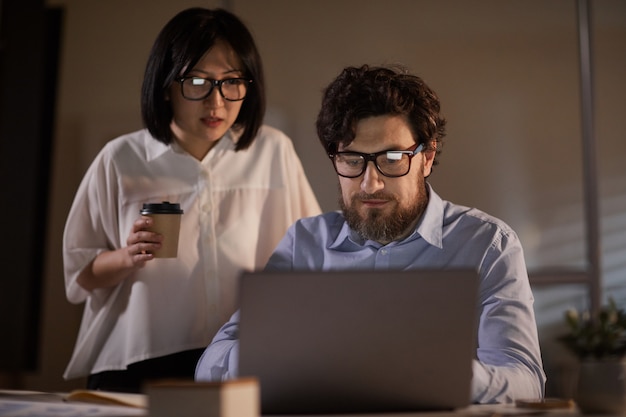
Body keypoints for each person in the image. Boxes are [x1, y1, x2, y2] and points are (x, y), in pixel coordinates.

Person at [195, 64, 546, 403]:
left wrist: (437, 372)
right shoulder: (304, 244)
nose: (370, 183)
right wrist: (295, 356)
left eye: (392, 158)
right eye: (351, 159)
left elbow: (525, 381)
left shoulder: (487, 245)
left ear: (427, 157)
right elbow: (210, 365)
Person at [62, 7, 321, 392]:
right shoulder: (121, 159)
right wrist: (126, 256)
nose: (216, 102)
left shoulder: (272, 151)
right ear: (166, 85)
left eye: (232, 82)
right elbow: (79, 272)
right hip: (141, 360)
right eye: (197, 82)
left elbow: (312, 257)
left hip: (239, 355)